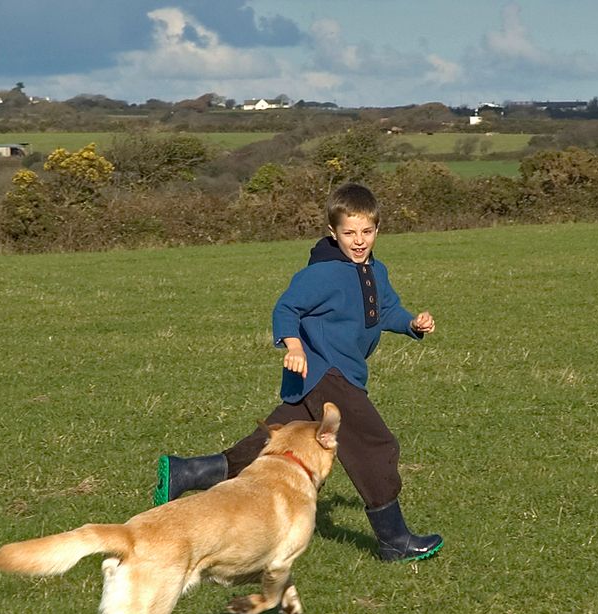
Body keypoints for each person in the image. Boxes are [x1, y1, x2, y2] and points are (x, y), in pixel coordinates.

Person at [152, 182, 442, 562]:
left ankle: (186, 472)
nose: (358, 241)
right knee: (375, 444)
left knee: (269, 446)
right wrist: (293, 347)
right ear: (333, 232)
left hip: (334, 374)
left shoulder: (376, 270)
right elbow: (285, 310)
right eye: (349, 233)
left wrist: (412, 324)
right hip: (326, 372)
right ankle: (394, 540)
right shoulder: (322, 274)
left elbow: (385, 310)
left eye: (366, 232)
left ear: (377, 230)